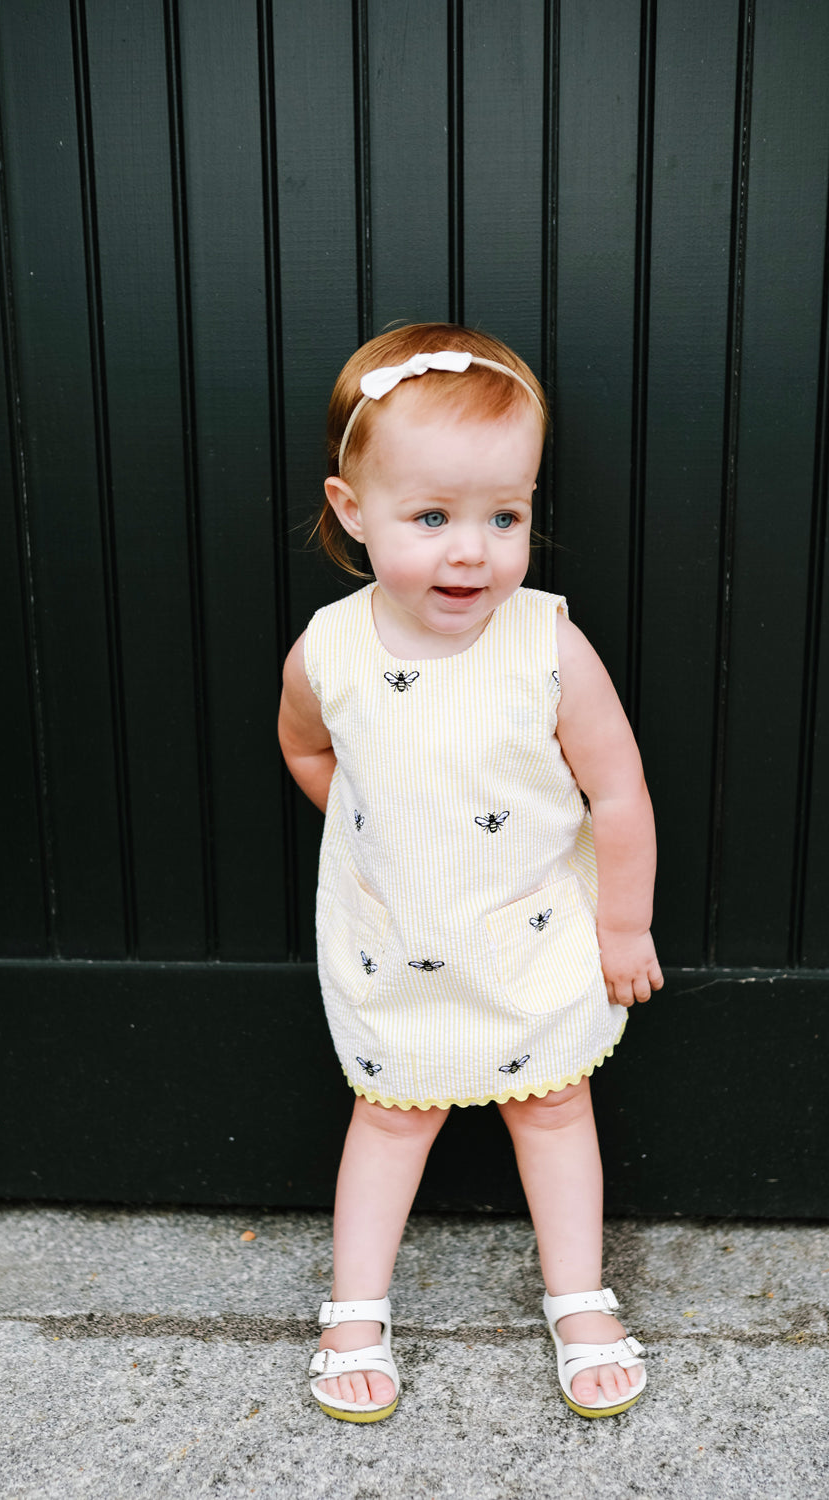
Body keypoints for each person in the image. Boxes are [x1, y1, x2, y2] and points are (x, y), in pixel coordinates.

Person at [278, 323, 663, 1423]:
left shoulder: (546, 643)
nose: (471, 553)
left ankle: (579, 1296)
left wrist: (623, 927)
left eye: (505, 517)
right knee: (389, 1114)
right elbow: (308, 750)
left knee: (553, 1107)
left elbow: (619, 792)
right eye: (432, 518)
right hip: (391, 937)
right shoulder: (329, 651)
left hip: (531, 936)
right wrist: (376, 831)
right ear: (354, 513)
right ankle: (354, 1306)